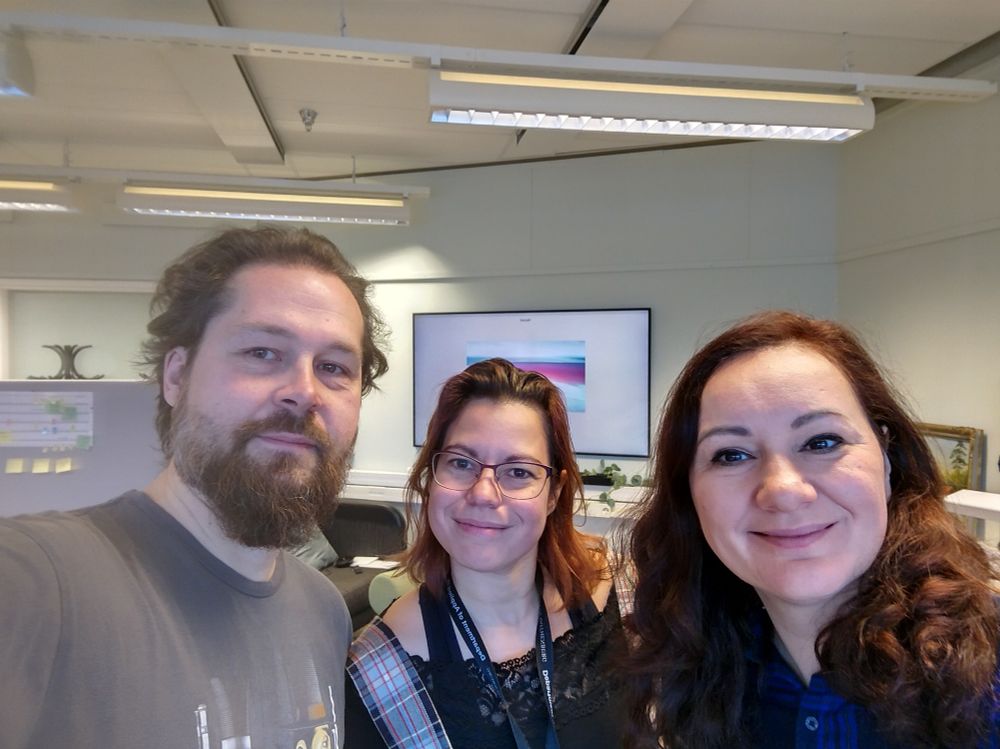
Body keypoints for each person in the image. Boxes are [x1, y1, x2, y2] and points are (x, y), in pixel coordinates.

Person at [0, 226, 389, 748]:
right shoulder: (33, 581)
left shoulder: (322, 610)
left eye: (334, 368)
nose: (304, 390)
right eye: (262, 352)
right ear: (177, 375)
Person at [621, 310, 1000, 749]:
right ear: (687, 492)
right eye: (731, 455)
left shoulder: (986, 679)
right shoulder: (699, 668)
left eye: (822, 442)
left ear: (886, 458)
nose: (783, 490)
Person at [346, 358, 626, 749]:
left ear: (554, 495)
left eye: (519, 471)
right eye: (461, 463)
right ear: (431, 479)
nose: (482, 493)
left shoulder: (617, 598)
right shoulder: (377, 668)